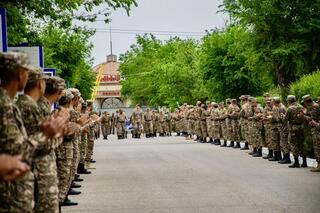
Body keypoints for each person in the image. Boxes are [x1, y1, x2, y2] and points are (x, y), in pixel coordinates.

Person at [0, 52, 65, 213]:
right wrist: (48, 133)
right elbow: (16, 150)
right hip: (11, 192)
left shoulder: (10, 103)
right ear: (20, 75)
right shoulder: (6, 105)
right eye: (25, 73)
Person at [284, 95, 307, 168]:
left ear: (289, 101)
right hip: (301, 127)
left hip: (293, 128)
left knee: (294, 145)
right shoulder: (300, 107)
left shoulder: (289, 108)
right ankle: (304, 162)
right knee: (302, 144)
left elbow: (285, 119)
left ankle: (296, 162)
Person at [302, 95, 320, 172]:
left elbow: (313, 119)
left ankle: (319, 165)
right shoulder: (312, 106)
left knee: (317, 147)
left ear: (306, 101)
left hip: (316, 130)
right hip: (314, 129)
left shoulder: (314, 107)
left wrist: (303, 116)